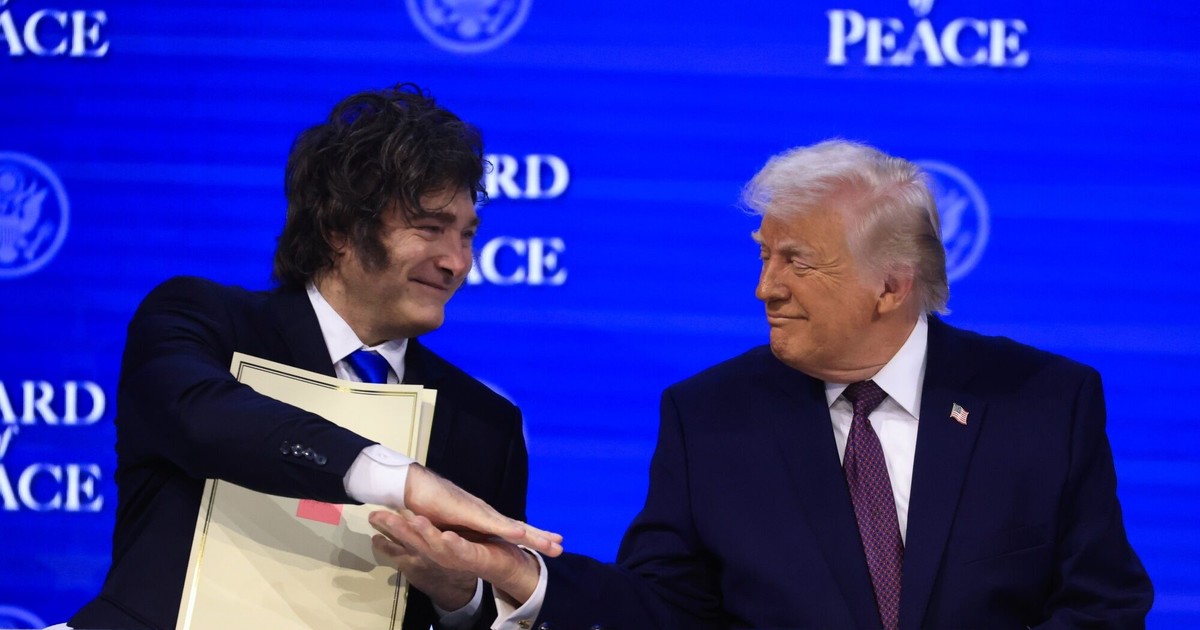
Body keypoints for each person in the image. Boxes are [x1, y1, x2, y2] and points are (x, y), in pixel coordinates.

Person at [369, 140, 1154, 629]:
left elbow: (1104, 607)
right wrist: (522, 575)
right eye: (763, 255)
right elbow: (661, 613)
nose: (765, 288)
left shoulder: (1043, 402)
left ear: (891, 286)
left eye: (796, 262)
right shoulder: (710, 418)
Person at [68, 84, 561, 630]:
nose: (457, 262)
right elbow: (201, 415)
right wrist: (397, 478)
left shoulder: (482, 424)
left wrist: (456, 594)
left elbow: (487, 612)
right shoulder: (203, 324)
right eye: (430, 229)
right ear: (339, 230)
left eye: (466, 235)